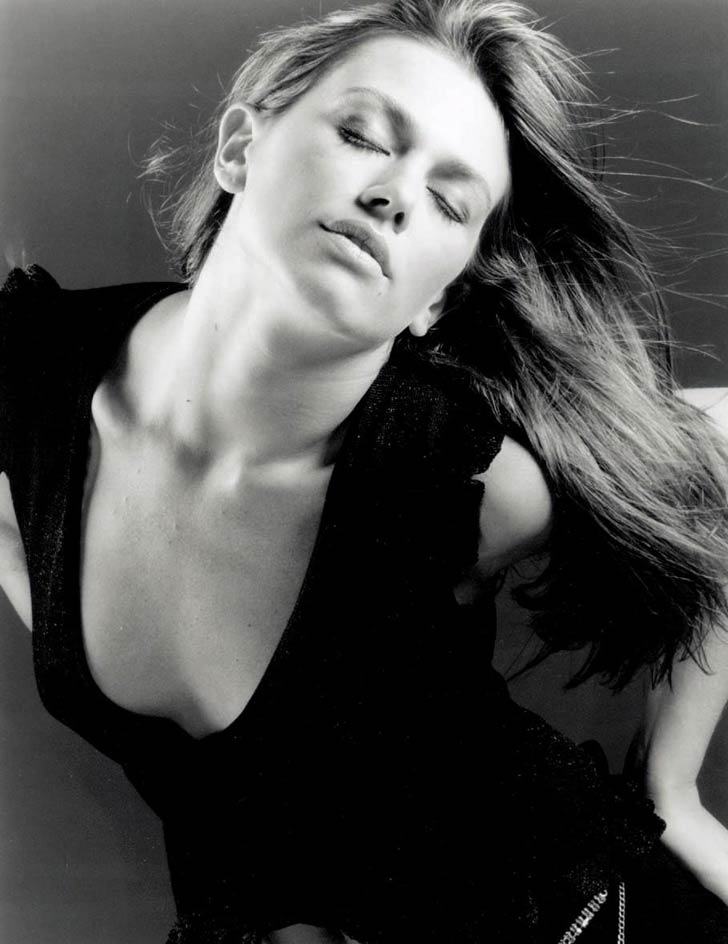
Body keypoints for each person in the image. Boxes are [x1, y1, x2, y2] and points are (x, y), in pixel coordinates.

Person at [1, 1, 727, 941]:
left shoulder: (456, 478)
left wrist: (672, 791)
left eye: (450, 202)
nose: (394, 195)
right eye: (362, 136)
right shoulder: (34, 377)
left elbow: (711, 467)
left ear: (439, 299)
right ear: (240, 146)